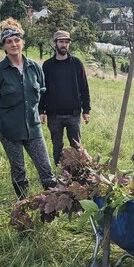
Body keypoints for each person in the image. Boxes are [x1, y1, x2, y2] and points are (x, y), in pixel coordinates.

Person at [0, 18, 56, 199]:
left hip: (33, 125)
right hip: (9, 128)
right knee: (19, 170)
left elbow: (40, 93)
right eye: (9, 41)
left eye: (17, 40)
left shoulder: (35, 68)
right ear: (4, 46)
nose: (14, 44)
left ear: (23, 42)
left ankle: (54, 204)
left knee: (45, 168)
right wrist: (10, 112)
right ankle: (22, 205)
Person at [39, 30, 91, 165]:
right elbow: (43, 90)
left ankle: (79, 172)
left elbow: (84, 87)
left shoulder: (76, 64)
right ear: (55, 43)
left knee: (77, 146)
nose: (64, 45)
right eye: (61, 42)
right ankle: (59, 172)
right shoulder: (47, 65)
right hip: (54, 115)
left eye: (66, 42)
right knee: (57, 147)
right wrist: (41, 111)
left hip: (73, 113)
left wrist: (86, 110)